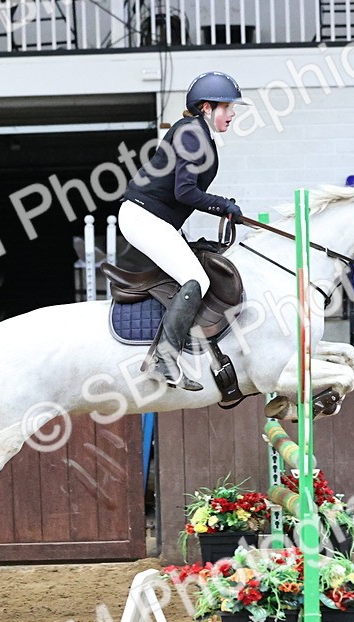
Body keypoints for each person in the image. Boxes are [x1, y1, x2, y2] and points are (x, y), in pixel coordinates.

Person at [119, 71, 247, 391]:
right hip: (144, 217)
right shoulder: (192, 133)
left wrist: (223, 204)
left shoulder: (196, 132)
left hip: (152, 218)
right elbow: (185, 192)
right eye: (226, 107)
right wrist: (223, 206)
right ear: (206, 107)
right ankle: (163, 358)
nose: (232, 114)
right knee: (197, 280)